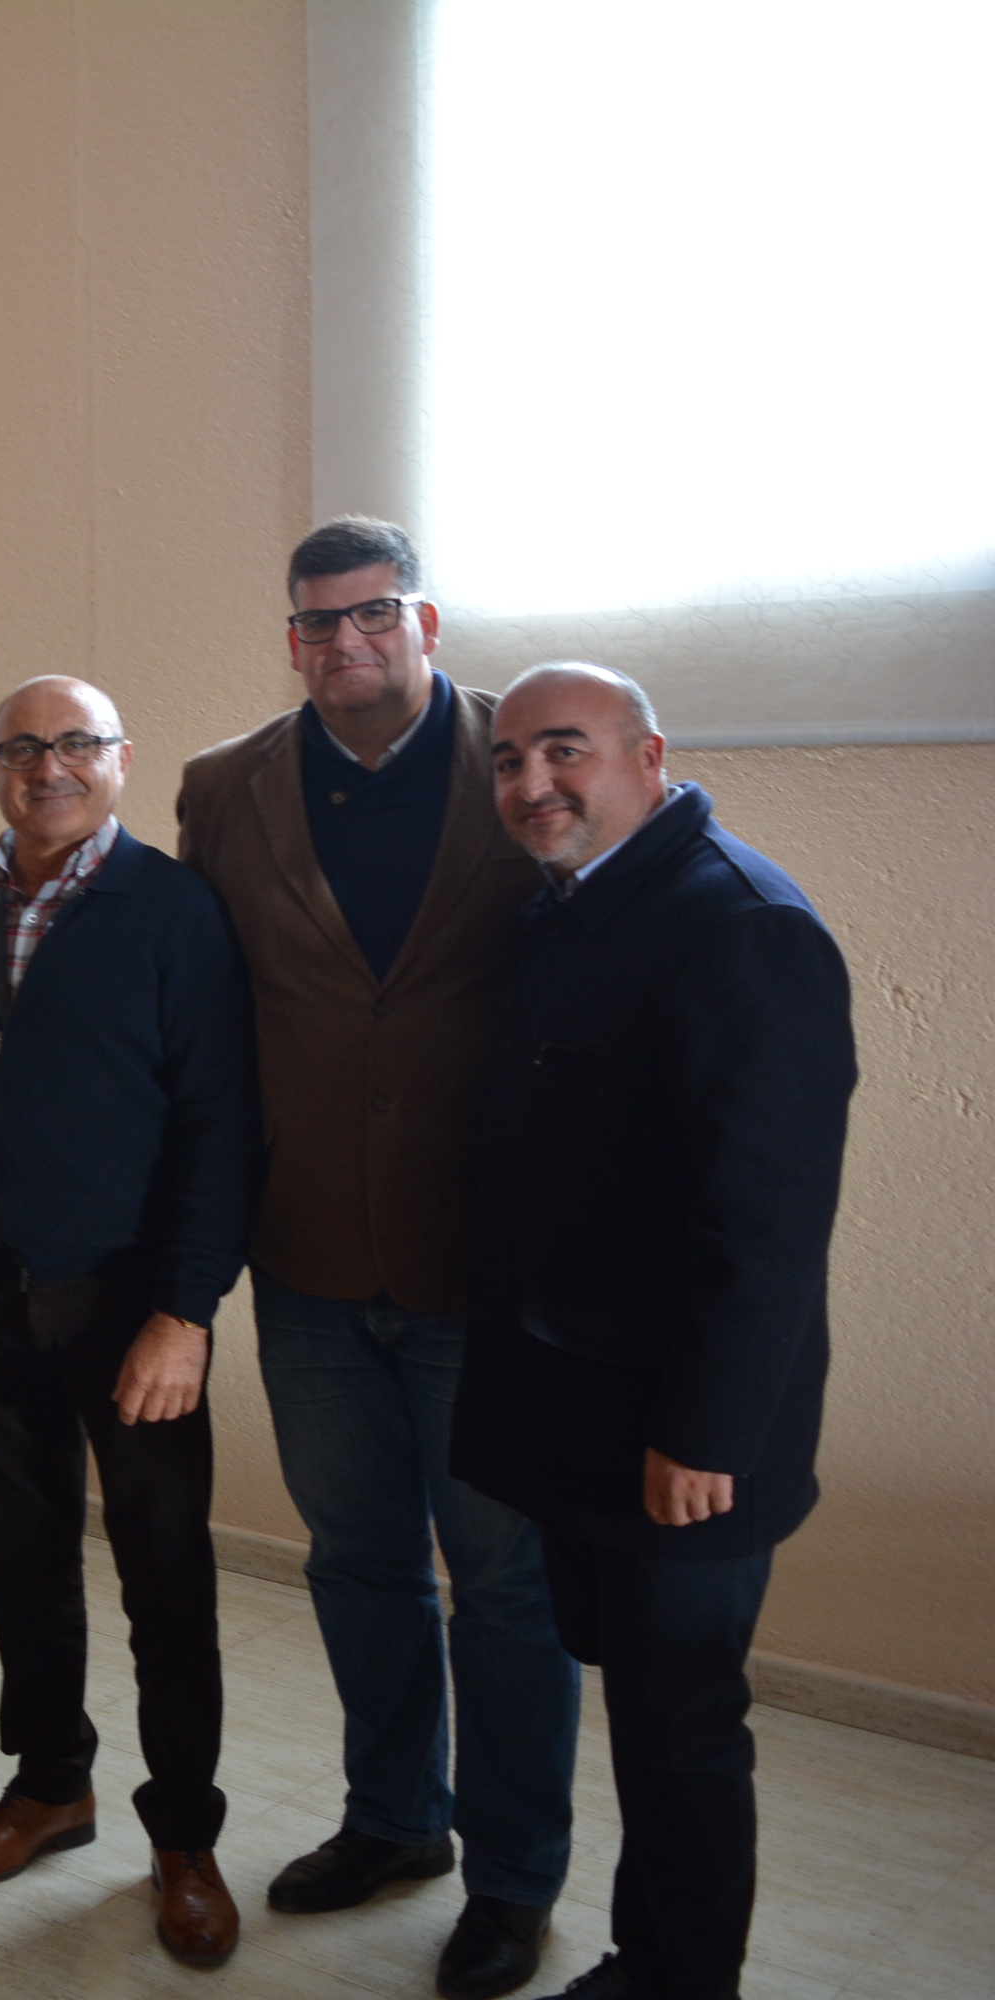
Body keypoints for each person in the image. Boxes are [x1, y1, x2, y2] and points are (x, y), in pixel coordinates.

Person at [177, 517, 579, 1999]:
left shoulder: (518, 759)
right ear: (291, 637)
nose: (345, 644)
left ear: (424, 621)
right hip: (311, 1266)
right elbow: (206, 1025)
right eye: (316, 623)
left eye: (372, 616)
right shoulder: (225, 791)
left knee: (511, 1587)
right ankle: (395, 1820)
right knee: (356, 1563)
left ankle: (516, 1877)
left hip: (488, 1268)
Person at [456, 666, 854, 2000]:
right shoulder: (575, 910)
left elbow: (768, 1227)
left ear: (648, 756)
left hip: (681, 1443)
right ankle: (645, 1958)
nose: (530, 785)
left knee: (682, 1735)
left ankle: (683, 1980)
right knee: (635, 1708)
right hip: (583, 1421)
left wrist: (704, 1434)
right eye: (509, 760)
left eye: (563, 752)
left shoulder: (738, 925)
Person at [0, 677, 263, 1967]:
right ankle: (49, 1781)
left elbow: (222, 1126)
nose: (46, 766)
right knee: (20, 1563)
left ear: (120, 761)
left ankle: (183, 1834)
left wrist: (184, 1312)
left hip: (131, 1304)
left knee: (166, 1579)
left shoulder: (175, 911)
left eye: (74, 743)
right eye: (20, 745)